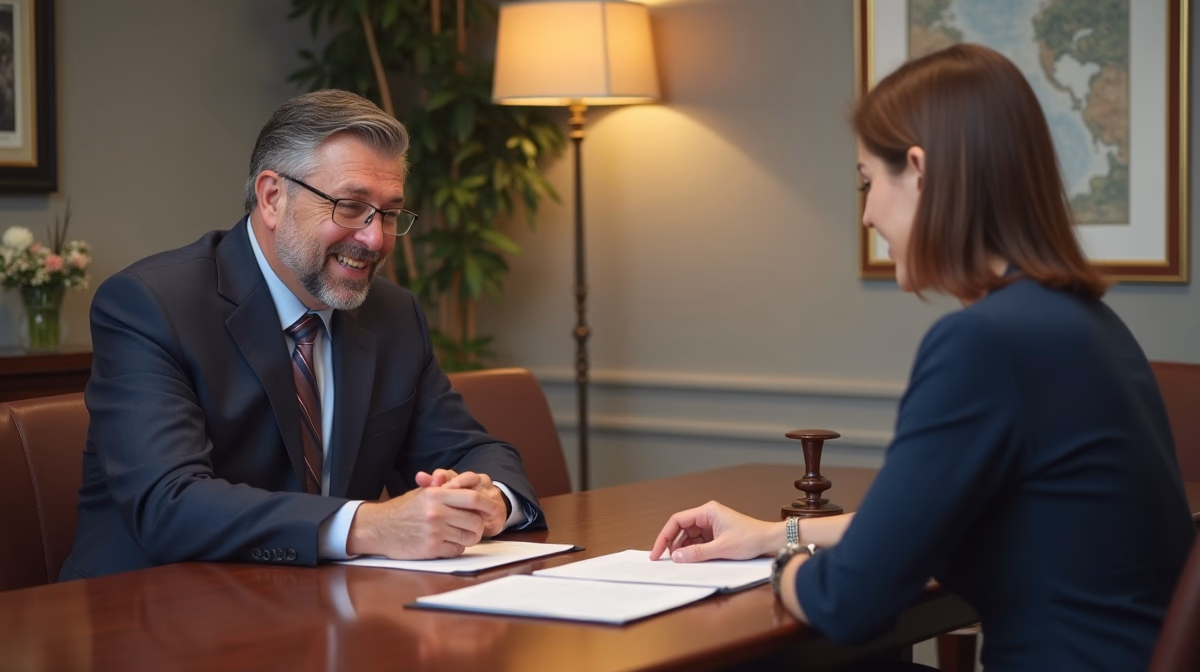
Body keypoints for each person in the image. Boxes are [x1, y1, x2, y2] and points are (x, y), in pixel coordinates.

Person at [650, 44, 1194, 672]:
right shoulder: (1085, 323)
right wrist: (776, 533)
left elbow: (849, 601)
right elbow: (912, 525)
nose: (866, 215)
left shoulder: (985, 344)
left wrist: (782, 567)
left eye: (867, 181)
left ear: (919, 172)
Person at [61, 90, 544, 580]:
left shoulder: (393, 315)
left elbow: (472, 453)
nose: (375, 238)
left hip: (323, 603)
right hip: (153, 604)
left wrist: (489, 501)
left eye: (389, 213)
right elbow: (169, 503)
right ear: (273, 198)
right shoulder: (151, 305)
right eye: (350, 206)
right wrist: (369, 526)